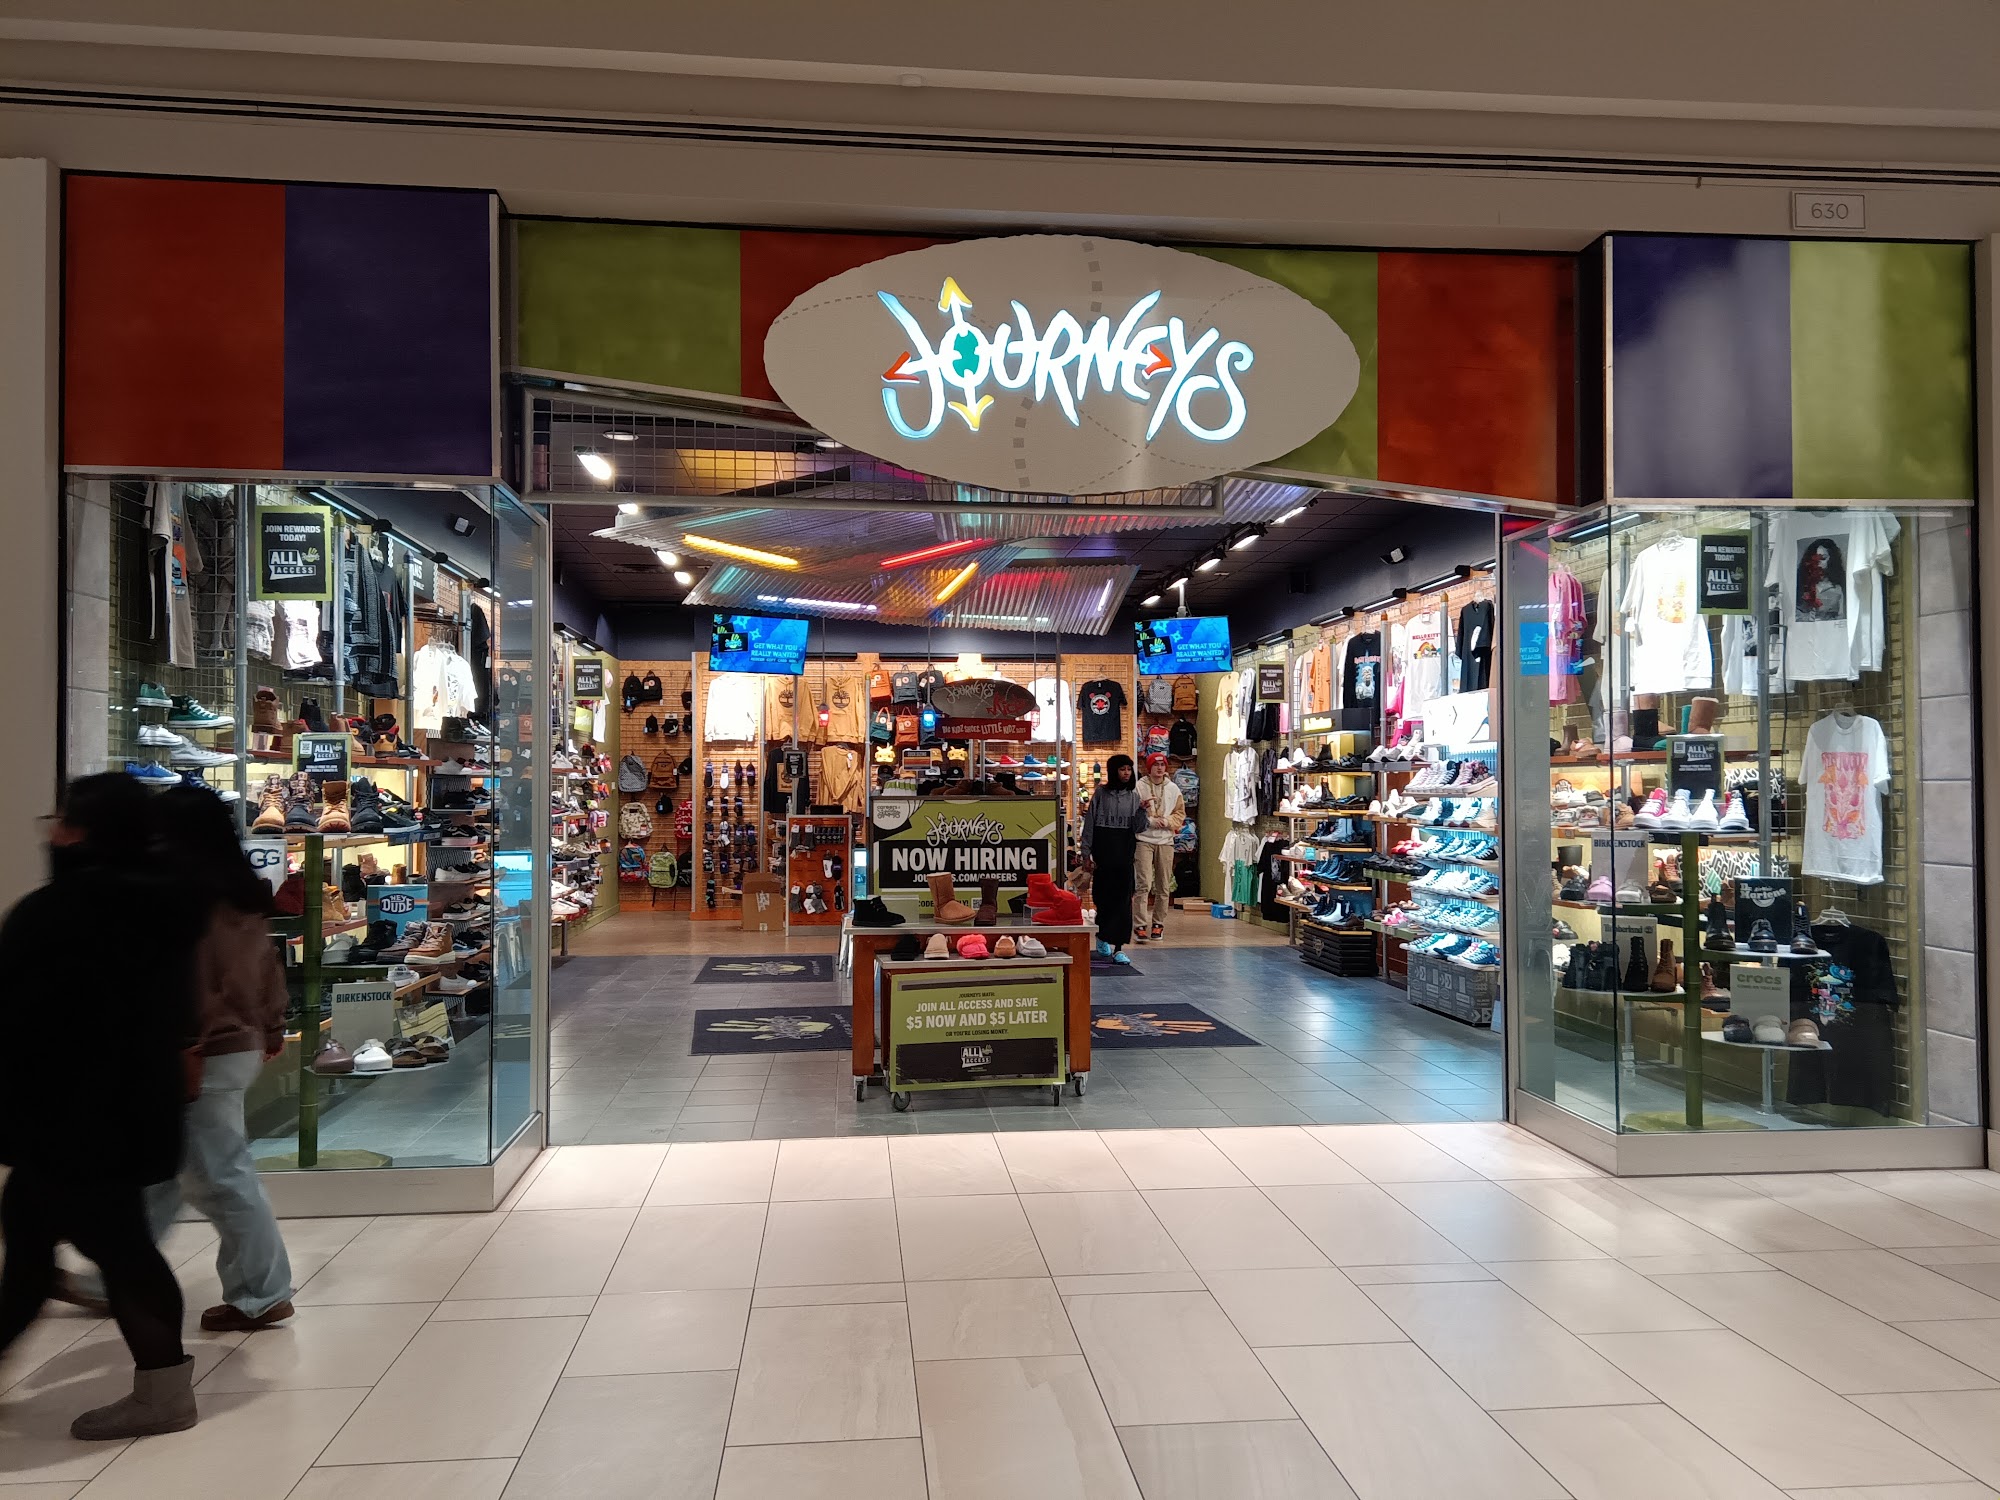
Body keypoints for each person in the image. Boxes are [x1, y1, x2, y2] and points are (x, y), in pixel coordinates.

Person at [0, 773, 202, 1439]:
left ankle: (165, 1391)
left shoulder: (56, 913)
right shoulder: (165, 905)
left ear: (82, 832)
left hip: (69, 1110)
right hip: (133, 1103)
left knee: (119, 1249)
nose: (52, 832)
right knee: (33, 1232)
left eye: (61, 820)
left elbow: (26, 1017)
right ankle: (162, 1388)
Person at [148, 785, 297, 1332]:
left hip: (204, 1048)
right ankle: (114, 1270)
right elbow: (267, 969)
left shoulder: (186, 901)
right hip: (235, 1042)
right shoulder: (240, 895)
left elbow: (189, 986)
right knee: (174, 1172)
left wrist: (186, 1043)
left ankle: (263, 1291)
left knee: (220, 1176)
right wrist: (273, 1026)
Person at [1081, 753, 1148, 965]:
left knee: (1123, 902)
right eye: (1122, 769)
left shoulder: (1134, 797)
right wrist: (1085, 853)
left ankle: (1119, 948)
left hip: (1124, 856)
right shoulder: (1100, 794)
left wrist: (1142, 811)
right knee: (1103, 899)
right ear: (1113, 771)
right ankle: (1102, 935)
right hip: (1103, 855)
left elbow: (1139, 828)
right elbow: (1090, 824)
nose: (1126, 773)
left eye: (1129, 769)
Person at [1133, 752, 1184, 943]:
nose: (1160, 768)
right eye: (1156, 765)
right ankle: (1139, 925)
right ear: (1149, 767)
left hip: (1166, 841)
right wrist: (1149, 820)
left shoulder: (1173, 788)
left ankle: (1158, 923)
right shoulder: (1139, 786)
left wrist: (1168, 821)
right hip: (1143, 840)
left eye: (1163, 765)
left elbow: (1180, 813)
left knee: (1163, 885)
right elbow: (1132, 812)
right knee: (1143, 884)